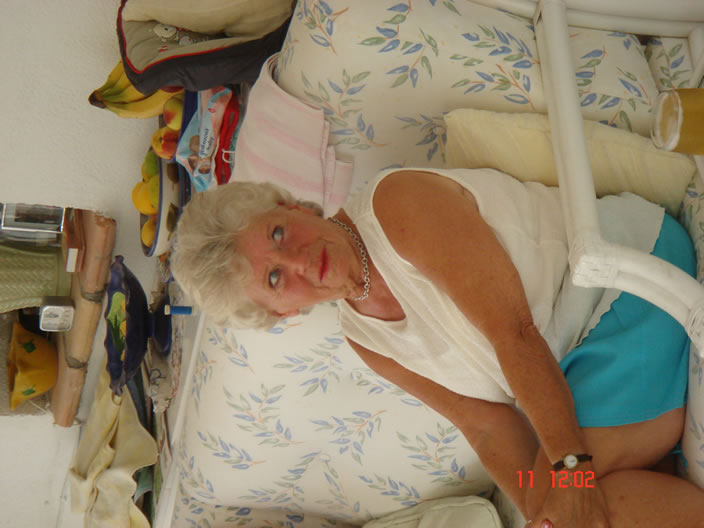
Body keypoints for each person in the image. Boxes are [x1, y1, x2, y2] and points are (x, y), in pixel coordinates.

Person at [171, 167, 704, 528]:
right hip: (576, 373)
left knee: (578, 505)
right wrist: (539, 503)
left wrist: (566, 474)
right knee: (558, 512)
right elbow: (485, 424)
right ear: (282, 313)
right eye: (274, 278)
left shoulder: (396, 204)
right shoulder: (365, 339)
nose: (300, 262)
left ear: (290, 207)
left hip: (624, 282)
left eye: (278, 234)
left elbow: (515, 333)